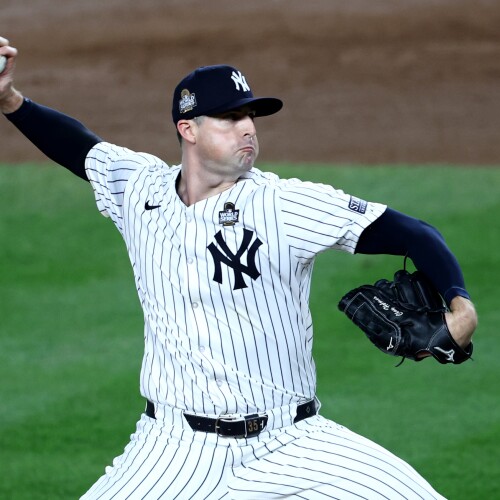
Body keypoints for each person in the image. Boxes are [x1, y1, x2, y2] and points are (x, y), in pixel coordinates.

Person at [0, 36, 477, 500]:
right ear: (188, 129)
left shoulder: (283, 204)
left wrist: (461, 306)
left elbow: (415, 233)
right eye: (230, 118)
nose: (248, 128)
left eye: (251, 116)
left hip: (292, 441)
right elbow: (78, 148)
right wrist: (9, 99)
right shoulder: (140, 190)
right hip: (172, 449)